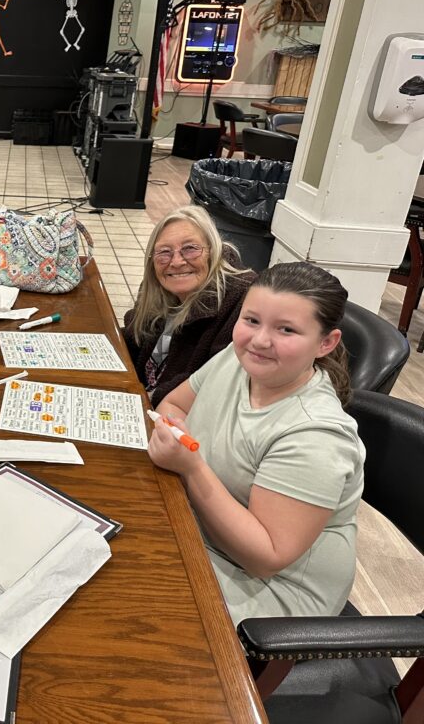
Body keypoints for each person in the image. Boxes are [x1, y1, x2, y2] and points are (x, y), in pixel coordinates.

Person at [149, 262, 365, 624]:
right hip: (197, 530)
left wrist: (191, 467)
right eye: (251, 320)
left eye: (286, 329)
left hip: (270, 596)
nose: (260, 340)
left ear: (326, 343)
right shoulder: (239, 359)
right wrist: (178, 436)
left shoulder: (315, 436)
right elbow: (173, 405)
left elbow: (265, 557)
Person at [124, 205, 255, 407]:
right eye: (164, 252)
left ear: (213, 250)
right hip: (145, 398)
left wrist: (145, 399)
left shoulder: (241, 300)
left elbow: (214, 382)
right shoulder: (158, 289)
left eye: (190, 249)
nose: (176, 262)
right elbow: (135, 339)